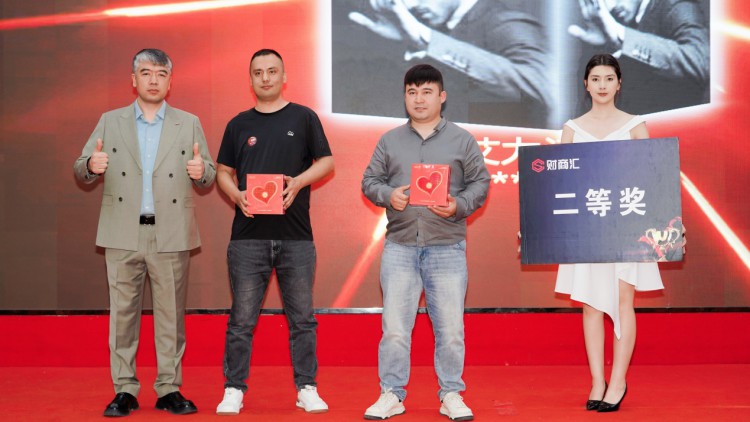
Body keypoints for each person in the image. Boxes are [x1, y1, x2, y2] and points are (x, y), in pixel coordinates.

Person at [73, 48, 216, 417]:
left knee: (171, 316)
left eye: (161, 74)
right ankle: (124, 389)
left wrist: (202, 172)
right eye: (147, 72)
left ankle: (169, 388)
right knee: (122, 315)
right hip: (123, 231)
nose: (154, 80)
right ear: (133, 79)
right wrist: (91, 164)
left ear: (170, 82)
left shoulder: (189, 122)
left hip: (171, 232)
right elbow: (80, 167)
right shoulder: (110, 121)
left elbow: (210, 174)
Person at [362, 64, 490, 421]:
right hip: (400, 246)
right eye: (412, 92)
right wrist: (389, 195)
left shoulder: (462, 140)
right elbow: (370, 181)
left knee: (451, 331)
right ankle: (391, 393)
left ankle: (451, 393)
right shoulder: (389, 140)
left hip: (447, 246)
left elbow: (480, 183)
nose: (419, 99)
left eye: (427, 92)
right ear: (405, 97)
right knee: (395, 330)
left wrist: (458, 205)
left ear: (442, 97)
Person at [214, 49, 334, 416]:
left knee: (303, 320)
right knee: (241, 321)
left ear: (284, 77)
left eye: (272, 71)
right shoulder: (238, 124)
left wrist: (298, 182)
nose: (265, 78)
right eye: (258, 72)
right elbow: (223, 172)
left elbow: (327, 162)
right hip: (247, 237)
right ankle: (233, 388)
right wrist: (236, 195)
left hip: (296, 237)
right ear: (250, 80)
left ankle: (307, 387)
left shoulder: (304, 117)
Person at [555, 53, 664, 413]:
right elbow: (559, 186)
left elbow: (653, 181)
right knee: (589, 304)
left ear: (619, 84)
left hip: (627, 228)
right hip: (585, 229)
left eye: (609, 78)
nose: (602, 85)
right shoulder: (572, 129)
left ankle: (618, 381)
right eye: (595, 79)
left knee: (622, 301)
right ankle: (597, 381)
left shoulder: (635, 126)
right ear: (585, 85)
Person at [343, 0, 550, 128]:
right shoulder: (435, 24)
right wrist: (409, 41)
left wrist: (425, 37)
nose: (411, 5)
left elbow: (537, 86)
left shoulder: (504, 19)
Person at [568, 0, 709, 115]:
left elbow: (700, 62)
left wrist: (622, 36)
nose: (611, 5)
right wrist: (608, 47)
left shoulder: (676, 5)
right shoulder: (610, 23)